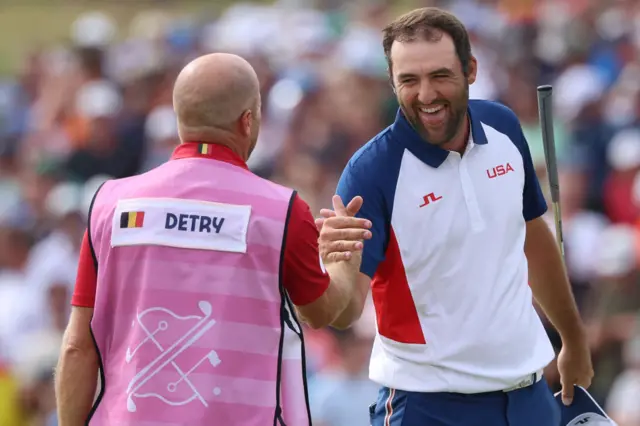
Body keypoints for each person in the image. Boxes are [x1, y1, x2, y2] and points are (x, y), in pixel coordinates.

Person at [54, 53, 372, 426]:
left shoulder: (110, 204)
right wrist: (342, 257)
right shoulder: (282, 210)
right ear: (248, 120)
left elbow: (78, 346)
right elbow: (321, 312)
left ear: (179, 118)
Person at [315, 7, 594, 426]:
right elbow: (344, 309)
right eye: (409, 80)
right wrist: (329, 265)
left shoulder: (503, 127)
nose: (426, 94)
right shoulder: (370, 172)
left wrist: (572, 337)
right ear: (393, 82)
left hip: (529, 397)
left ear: (471, 70)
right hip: (430, 408)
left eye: (440, 75)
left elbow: (533, 239)